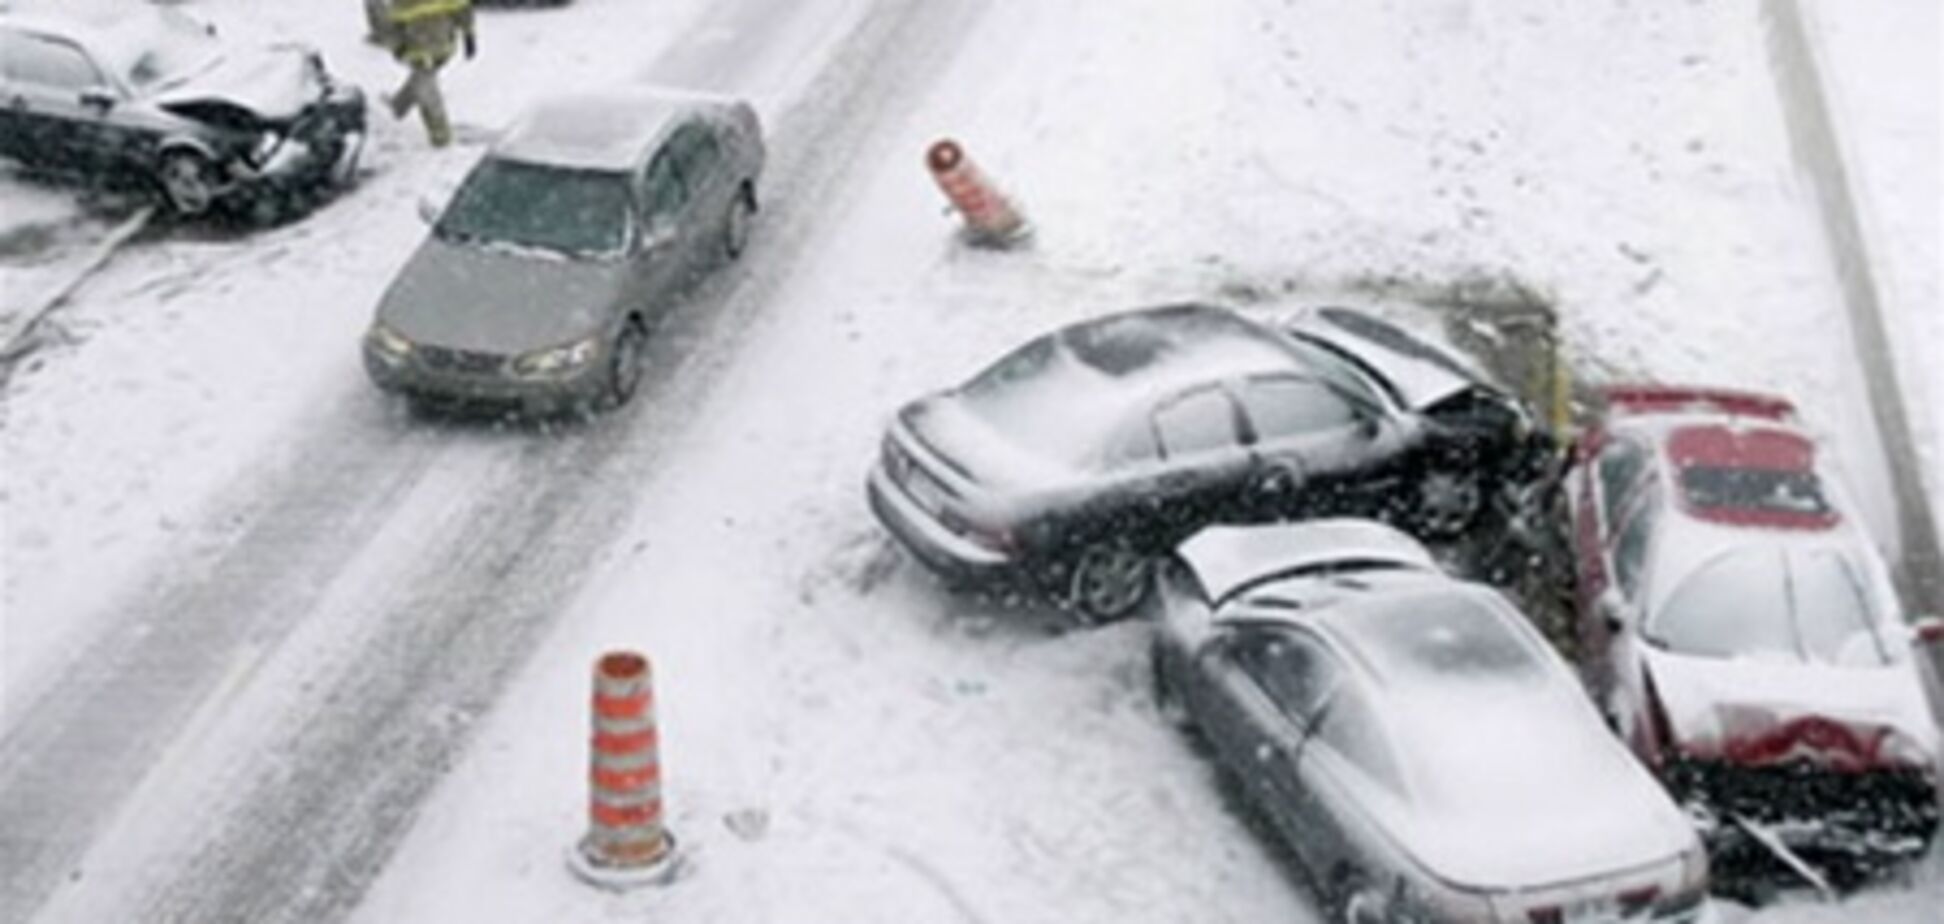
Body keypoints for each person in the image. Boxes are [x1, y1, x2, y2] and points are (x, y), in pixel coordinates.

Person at [383, 0, 475, 147]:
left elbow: (461, 7)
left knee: (425, 88)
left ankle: (440, 136)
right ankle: (399, 108)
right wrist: (397, 45)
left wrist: (469, 34)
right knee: (425, 86)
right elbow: (393, 22)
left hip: (440, 46)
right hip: (419, 50)